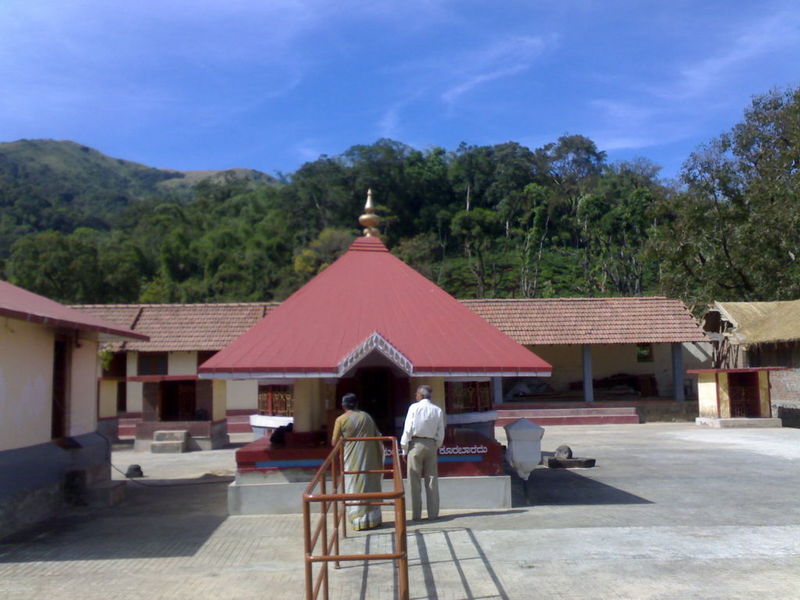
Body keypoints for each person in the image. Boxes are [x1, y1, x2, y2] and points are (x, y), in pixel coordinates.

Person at [331, 393, 383, 530]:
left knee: (354, 485)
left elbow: (334, 442)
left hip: (351, 458)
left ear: (343, 405)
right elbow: (377, 435)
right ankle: (373, 520)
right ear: (357, 404)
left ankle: (358, 521)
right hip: (369, 457)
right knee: (369, 483)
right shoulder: (367, 417)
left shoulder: (341, 420)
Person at [400, 384, 445, 521]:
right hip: (431, 444)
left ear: (420, 395)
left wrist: (404, 448)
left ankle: (416, 515)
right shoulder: (437, 410)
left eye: (416, 394)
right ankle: (433, 513)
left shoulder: (414, 408)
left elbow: (408, 428)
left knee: (414, 481)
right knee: (432, 479)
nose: (415, 396)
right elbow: (440, 431)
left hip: (416, 444)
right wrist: (435, 445)